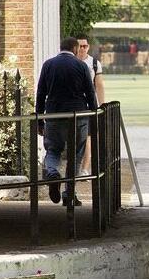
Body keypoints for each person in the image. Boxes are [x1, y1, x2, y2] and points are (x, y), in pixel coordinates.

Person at [35, 37, 98, 207]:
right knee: (76, 155)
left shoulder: (48, 65)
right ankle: (69, 194)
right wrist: (94, 116)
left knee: (53, 150)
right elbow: (90, 94)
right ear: (75, 49)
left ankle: (53, 172)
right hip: (78, 115)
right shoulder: (81, 65)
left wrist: (39, 120)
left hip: (54, 115)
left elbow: (41, 93)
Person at [76, 34, 106, 174]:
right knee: (76, 136)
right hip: (74, 104)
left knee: (88, 137)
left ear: (88, 47)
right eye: (80, 46)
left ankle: (85, 169)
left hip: (89, 104)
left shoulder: (94, 63)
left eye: (85, 46)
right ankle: (76, 167)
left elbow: (99, 86)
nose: (82, 49)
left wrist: (102, 106)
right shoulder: (71, 62)